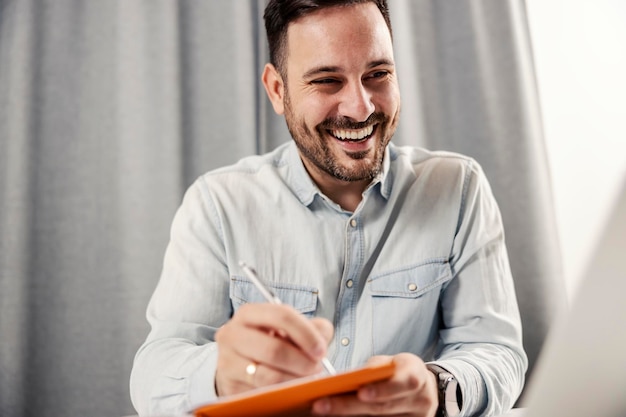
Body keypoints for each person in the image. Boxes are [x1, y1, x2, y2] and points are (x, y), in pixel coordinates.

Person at [130, 1, 527, 416]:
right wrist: (221, 375)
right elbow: (153, 375)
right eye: (326, 81)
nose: (361, 107)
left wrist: (438, 387)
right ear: (277, 91)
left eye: (378, 75)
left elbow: (496, 351)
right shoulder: (217, 205)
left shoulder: (459, 188)